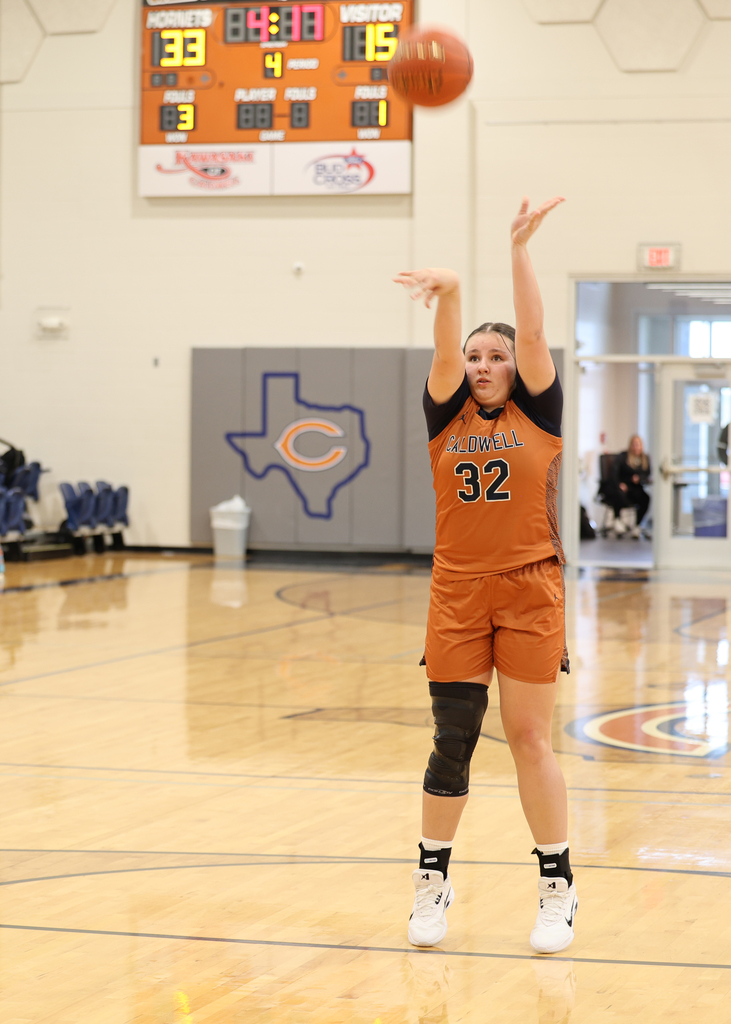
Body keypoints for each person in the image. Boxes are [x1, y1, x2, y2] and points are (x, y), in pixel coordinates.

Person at [393, 196, 577, 956]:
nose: (483, 365)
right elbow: (441, 356)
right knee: (452, 740)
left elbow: (531, 331)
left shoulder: (538, 411)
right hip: (458, 592)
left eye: (494, 357)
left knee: (529, 738)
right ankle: (431, 881)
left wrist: (518, 248)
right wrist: (451, 297)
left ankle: (556, 889)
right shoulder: (446, 415)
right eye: (475, 357)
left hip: (531, 586)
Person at [615, 436, 651, 538]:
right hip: (624, 487)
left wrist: (639, 478)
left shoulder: (645, 459)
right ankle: (618, 521)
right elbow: (616, 473)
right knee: (618, 493)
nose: (636, 447)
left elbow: (647, 474)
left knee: (646, 498)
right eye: (634, 444)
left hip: (636, 489)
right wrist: (620, 483)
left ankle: (637, 526)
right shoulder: (623, 457)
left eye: (638, 444)